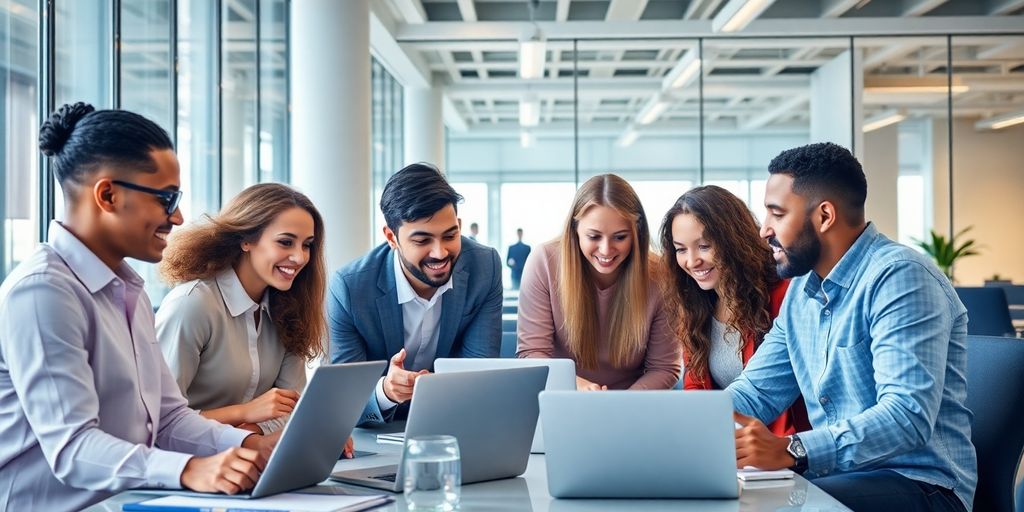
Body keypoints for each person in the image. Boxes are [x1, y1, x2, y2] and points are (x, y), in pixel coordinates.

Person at [0, 103, 278, 511]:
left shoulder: (127, 291)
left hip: (127, 502)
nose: (179, 217)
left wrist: (252, 446)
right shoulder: (43, 292)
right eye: (167, 198)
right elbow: (72, 448)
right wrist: (188, 469)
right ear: (108, 195)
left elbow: (168, 419)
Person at [727, 143, 976, 512]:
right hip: (839, 479)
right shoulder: (802, 294)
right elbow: (754, 394)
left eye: (776, 214)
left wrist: (793, 449)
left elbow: (907, 415)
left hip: (922, 486)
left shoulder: (901, 277)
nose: (764, 230)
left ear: (824, 215)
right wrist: (672, 423)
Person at [156, 184, 346, 454]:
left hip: (248, 458)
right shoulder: (192, 305)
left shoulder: (290, 306)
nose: (300, 257)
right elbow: (156, 421)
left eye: (307, 245)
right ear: (246, 240)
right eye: (285, 242)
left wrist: (253, 432)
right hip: (188, 464)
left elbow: (289, 406)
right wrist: (242, 414)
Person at [329, 163, 502, 426]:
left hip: (454, 424)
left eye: (450, 235)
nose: (440, 253)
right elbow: (343, 400)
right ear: (391, 237)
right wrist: (386, 391)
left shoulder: (484, 267)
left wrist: (438, 390)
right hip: (374, 434)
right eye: (422, 241)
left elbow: (479, 374)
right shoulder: (350, 289)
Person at [659, 185, 808, 435]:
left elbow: (779, 392)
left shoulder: (784, 294)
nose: (692, 261)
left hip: (782, 449)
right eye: (681, 249)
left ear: (733, 241)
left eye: (704, 246)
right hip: (726, 443)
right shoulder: (694, 306)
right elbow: (696, 389)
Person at [517, 174, 680, 390]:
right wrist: (578, 387)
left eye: (620, 237)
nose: (605, 250)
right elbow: (532, 354)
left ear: (636, 232)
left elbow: (664, 368)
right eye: (594, 237)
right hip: (563, 396)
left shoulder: (660, 275)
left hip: (634, 404)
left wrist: (620, 404)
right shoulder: (544, 262)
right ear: (575, 230)